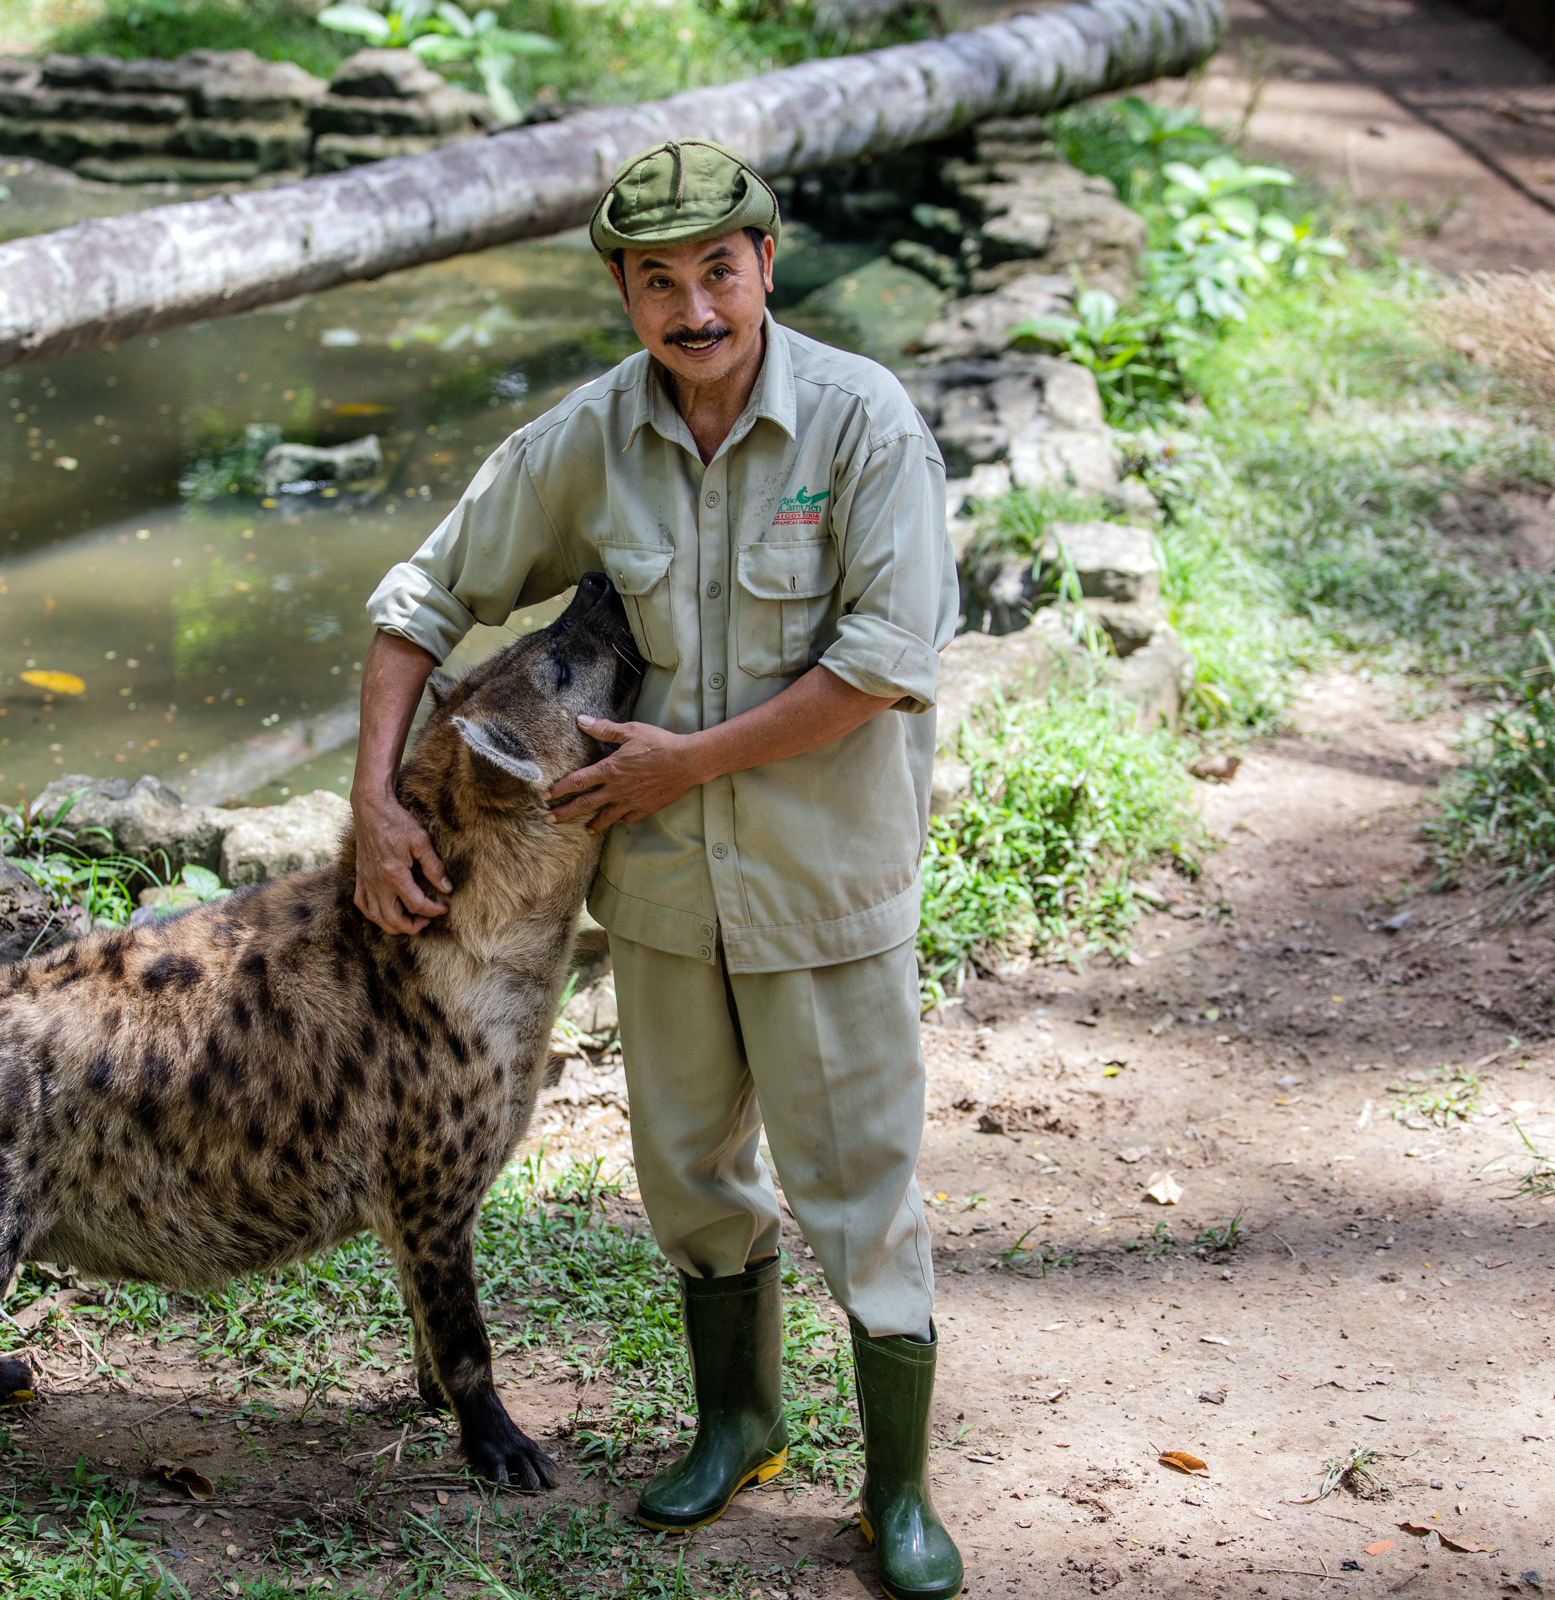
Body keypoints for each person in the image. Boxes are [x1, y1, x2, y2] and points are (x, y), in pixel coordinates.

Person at [349, 138, 963, 1600]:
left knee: (857, 1187)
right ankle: (738, 1425)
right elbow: (419, 596)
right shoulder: (594, 437)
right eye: (657, 284)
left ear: (768, 263)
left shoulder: (865, 428)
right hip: (669, 893)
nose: (694, 310)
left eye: (717, 274)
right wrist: (375, 799)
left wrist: (686, 760)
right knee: (689, 1174)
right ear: (624, 295)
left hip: (822, 882)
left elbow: (883, 663)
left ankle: (898, 1492)